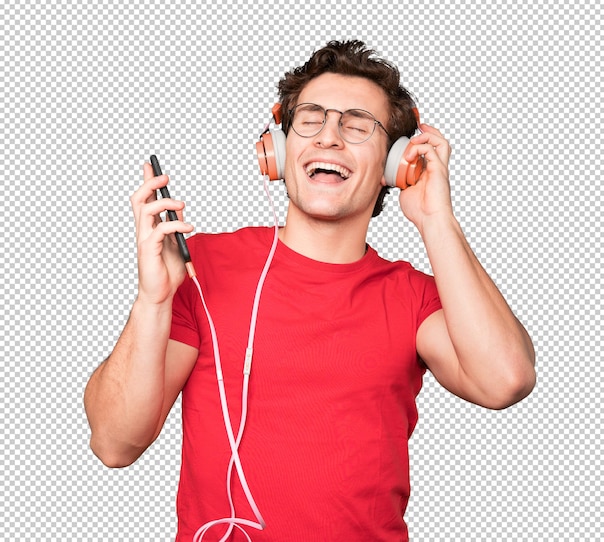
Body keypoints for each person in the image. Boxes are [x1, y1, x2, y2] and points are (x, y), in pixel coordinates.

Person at [84, 40, 536, 541]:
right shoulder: (201, 268)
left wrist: (436, 219)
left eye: (358, 124)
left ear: (396, 163)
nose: (330, 138)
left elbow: (505, 380)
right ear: (277, 149)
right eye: (311, 119)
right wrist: (153, 301)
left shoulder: (413, 297)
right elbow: (114, 444)